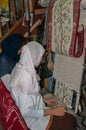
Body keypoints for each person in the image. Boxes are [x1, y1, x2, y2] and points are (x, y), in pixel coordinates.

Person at [8, 41, 77, 130]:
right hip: (29, 121)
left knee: (68, 118)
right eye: (41, 56)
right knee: (69, 122)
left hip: (30, 110)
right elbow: (24, 112)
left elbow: (22, 95)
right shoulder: (26, 77)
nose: (42, 59)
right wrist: (52, 111)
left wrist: (42, 99)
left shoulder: (19, 67)